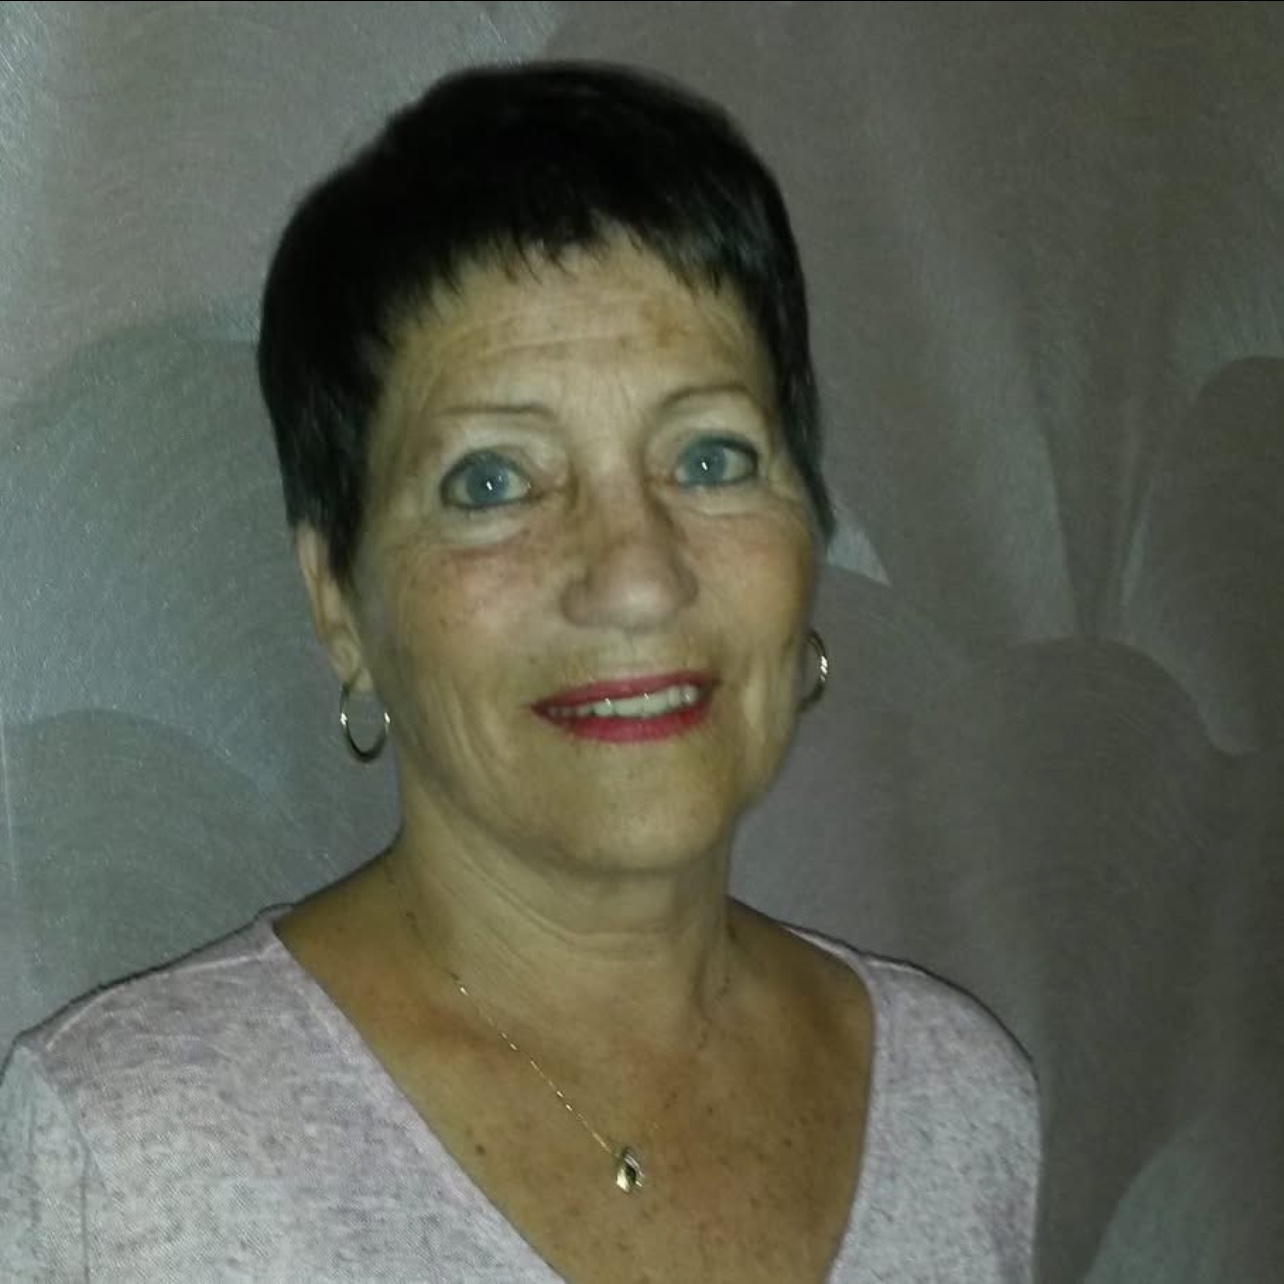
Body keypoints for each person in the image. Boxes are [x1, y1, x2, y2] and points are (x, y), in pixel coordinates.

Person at [0, 62, 1039, 1281]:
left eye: (711, 458)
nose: (637, 577)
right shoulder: (131, 1158)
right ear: (340, 603)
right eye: (492, 480)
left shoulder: (962, 1106)